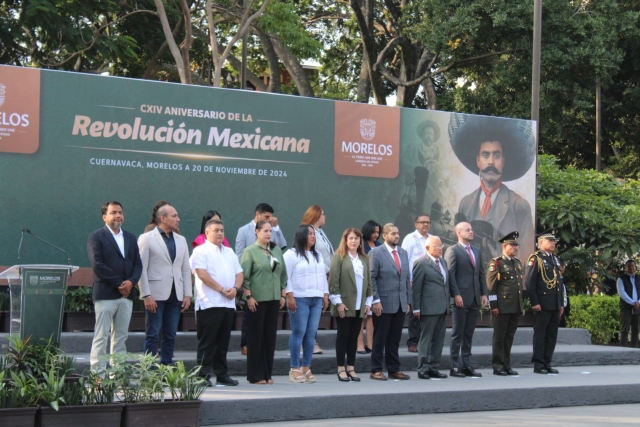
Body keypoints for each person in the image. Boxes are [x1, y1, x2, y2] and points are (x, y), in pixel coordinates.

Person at [451, 115, 535, 258]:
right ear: (478, 160)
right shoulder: (466, 203)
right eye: (485, 155)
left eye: (496, 155)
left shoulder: (519, 205)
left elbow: (527, 254)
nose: (491, 162)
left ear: (503, 161)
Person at [87, 201, 143, 372]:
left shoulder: (131, 237)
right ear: (105, 217)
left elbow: (137, 264)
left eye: (120, 212)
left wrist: (131, 282)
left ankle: (117, 375)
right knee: (101, 336)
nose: (118, 215)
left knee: (121, 337)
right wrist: (120, 284)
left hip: (126, 296)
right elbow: (98, 264)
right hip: (105, 294)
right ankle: (98, 374)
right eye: (113, 212)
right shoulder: (96, 236)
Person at [190, 218, 242, 386]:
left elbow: (239, 273)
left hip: (228, 303)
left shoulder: (229, 252)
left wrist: (235, 288)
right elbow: (201, 274)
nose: (220, 233)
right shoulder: (201, 251)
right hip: (209, 303)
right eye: (216, 230)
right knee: (207, 342)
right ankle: (202, 375)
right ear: (206, 233)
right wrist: (221, 289)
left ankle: (222, 374)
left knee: (223, 342)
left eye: (221, 230)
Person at [138, 204, 192, 365]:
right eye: (174, 216)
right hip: (155, 294)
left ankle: (166, 368)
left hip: (176, 294)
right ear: (163, 218)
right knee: (153, 333)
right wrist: (146, 295)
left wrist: (187, 294)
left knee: (171, 334)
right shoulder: (146, 238)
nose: (178, 219)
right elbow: (141, 268)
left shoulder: (181, 240)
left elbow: (185, 268)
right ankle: (149, 370)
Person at [236, 203, 287, 356]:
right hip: (253, 284)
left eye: (271, 218)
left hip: (271, 289)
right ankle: (245, 344)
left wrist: (276, 228)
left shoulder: (273, 241)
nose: (269, 220)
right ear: (257, 214)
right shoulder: (244, 232)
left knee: (268, 330)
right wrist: (246, 289)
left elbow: (281, 247)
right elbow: (240, 256)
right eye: (266, 217)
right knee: (250, 319)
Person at [241, 220, 287, 384]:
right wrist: (249, 296)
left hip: (274, 299)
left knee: (270, 337)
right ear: (257, 232)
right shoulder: (250, 251)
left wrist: (282, 294)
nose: (268, 234)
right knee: (255, 337)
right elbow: (244, 277)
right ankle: (255, 375)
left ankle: (267, 374)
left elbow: (283, 274)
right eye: (265, 231)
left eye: (270, 231)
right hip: (257, 300)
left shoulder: (275, 251)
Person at [283, 225, 329, 383]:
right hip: (299, 298)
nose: (313, 236)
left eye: (314, 234)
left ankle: (306, 367)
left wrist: (325, 294)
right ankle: (294, 368)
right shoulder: (291, 254)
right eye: (309, 233)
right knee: (299, 332)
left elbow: (322, 276)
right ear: (301, 235)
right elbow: (285, 276)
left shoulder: (318, 255)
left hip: (316, 299)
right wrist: (290, 295)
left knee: (311, 335)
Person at [444, 222, 488, 378]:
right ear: (458, 232)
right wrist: (455, 294)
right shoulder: (453, 250)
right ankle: (455, 366)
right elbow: (450, 274)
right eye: (467, 230)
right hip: (460, 298)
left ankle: (467, 365)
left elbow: (481, 273)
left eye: (471, 229)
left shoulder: (476, 250)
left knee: (469, 333)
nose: (471, 231)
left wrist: (484, 293)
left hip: (475, 297)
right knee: (458, 333)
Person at [329, 228, 373, 382]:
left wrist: (368, 302)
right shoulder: (339, 257)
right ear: (345, 241)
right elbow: (333, 283)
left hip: (359, 305)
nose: (354, 241)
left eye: (356, 238)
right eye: (351, 238)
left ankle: (351, 367)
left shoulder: (364, 259)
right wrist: (338, 303)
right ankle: (341, 368)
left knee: (354, 336)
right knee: (343, 336)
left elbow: (368, 282)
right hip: (344, 304)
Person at [369, 223, 412, 380]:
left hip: (400, 303)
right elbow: (371, 277)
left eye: (398, 233)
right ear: (384, 236)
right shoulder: (376, 253)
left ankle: (394, 369)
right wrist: (376, 300)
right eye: (393, 233)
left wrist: (407, 300)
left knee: (395, 338)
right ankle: (376, 369)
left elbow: (406, 278)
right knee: (380, 338)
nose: (397, 236)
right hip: (383, 303)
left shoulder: (403, 253)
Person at [524, 229, 563, 374]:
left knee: (552, 334)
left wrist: (560, 304)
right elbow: (530, 283)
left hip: (554, 303)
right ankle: (538, 364)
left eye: (554, 241)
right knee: (540, 334)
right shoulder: (536, 258)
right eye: (549, 241)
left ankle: (547, 361)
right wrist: (534, 302)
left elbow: (559, 283)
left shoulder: (555, 259)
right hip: (542, 303)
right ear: (540, 243)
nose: (553, 243)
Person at [412, 235, 450, 380]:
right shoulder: (421, 263)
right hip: (428, 308)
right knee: (426, 339)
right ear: (427, 248)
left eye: (441, 246)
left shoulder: (443, 262)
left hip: (442, 307)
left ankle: (434, 367)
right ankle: (422, 367)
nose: (440, 249)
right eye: (436, 246)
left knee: (439, 339)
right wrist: (416, 308)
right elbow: (416, 288)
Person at [486, 231, 523, 376]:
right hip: (501, 307)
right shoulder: (496, 263)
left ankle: (507, 364)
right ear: (505, 246)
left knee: (509, 337)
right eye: (513, 245)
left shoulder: (517, 263)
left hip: (514, 306)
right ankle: (498, 365)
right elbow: (491, 286)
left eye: (516, 245)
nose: (516, 248)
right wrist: (493, 306)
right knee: (499, 337)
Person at [300, 205, 334, 354]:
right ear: (316, 216)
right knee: (308, 312)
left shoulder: (320, 232)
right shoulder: (307, 231)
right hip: (314, 276)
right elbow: (311, 254)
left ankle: (311, 341)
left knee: (317, 310)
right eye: (323, 214)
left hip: (324, 275)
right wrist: (327, 270)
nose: (325, 217)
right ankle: (307, 343)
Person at [401, 213, 433, 353]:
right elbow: (404, 259)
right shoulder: (410, 238)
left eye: (427, 222)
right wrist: (409, 279)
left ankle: (425, 343)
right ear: (416, 224)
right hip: (415, 282)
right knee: (416, 313)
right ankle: (413, 342)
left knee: (429, 313)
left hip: (431, 282)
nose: (425, 224)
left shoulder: (433, 239)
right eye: (422, 222)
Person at [357, 220, 381, 354]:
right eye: (373, 232)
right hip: (362, 282)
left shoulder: (379, 245)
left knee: (372, 315)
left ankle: (370, 343)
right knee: (362, 314)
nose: (376, 235)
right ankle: (359, 343)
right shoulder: (361, 244)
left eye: (378, 232)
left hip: (375, 285)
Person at [617, 260, 639, 348]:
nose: (631, 268)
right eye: (629, 266)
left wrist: (638, 303)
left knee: (636, 329)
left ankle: (635, 348)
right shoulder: (621, 279)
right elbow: (622, 293)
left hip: (637, 307)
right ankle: (623, 348)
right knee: (625, 328)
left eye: (633, 266)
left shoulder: (639, 278)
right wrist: (632, 302)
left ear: (636, 268)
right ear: (626, 268)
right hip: (626, 307)